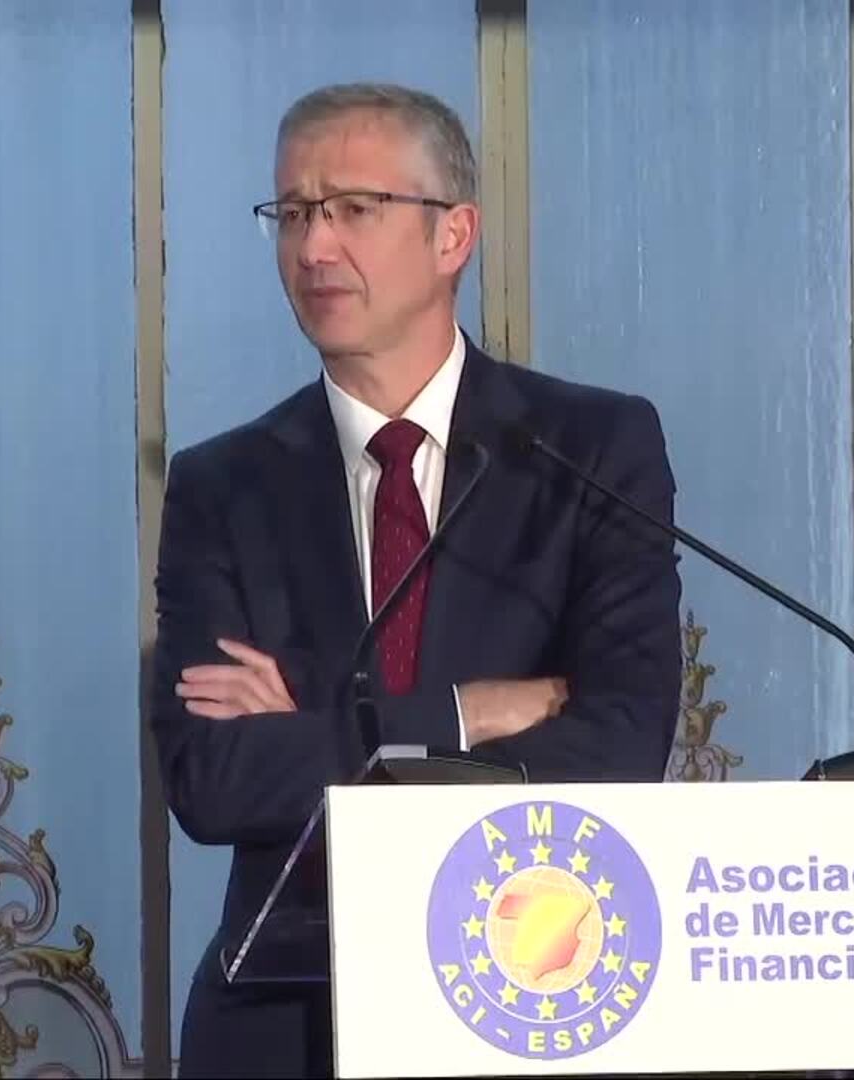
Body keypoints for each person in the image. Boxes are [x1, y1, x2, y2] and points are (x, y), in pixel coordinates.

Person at [150, 82, 684, 1078]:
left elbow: (620, 741)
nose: (315, 248)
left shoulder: (587, 450)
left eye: (354, 208)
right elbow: (213, 781)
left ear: (454, 236)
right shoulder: (225, 486)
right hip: (285, 1017)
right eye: (293, 214)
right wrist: (468, 712)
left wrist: (313, 717)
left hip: (528, 1001)